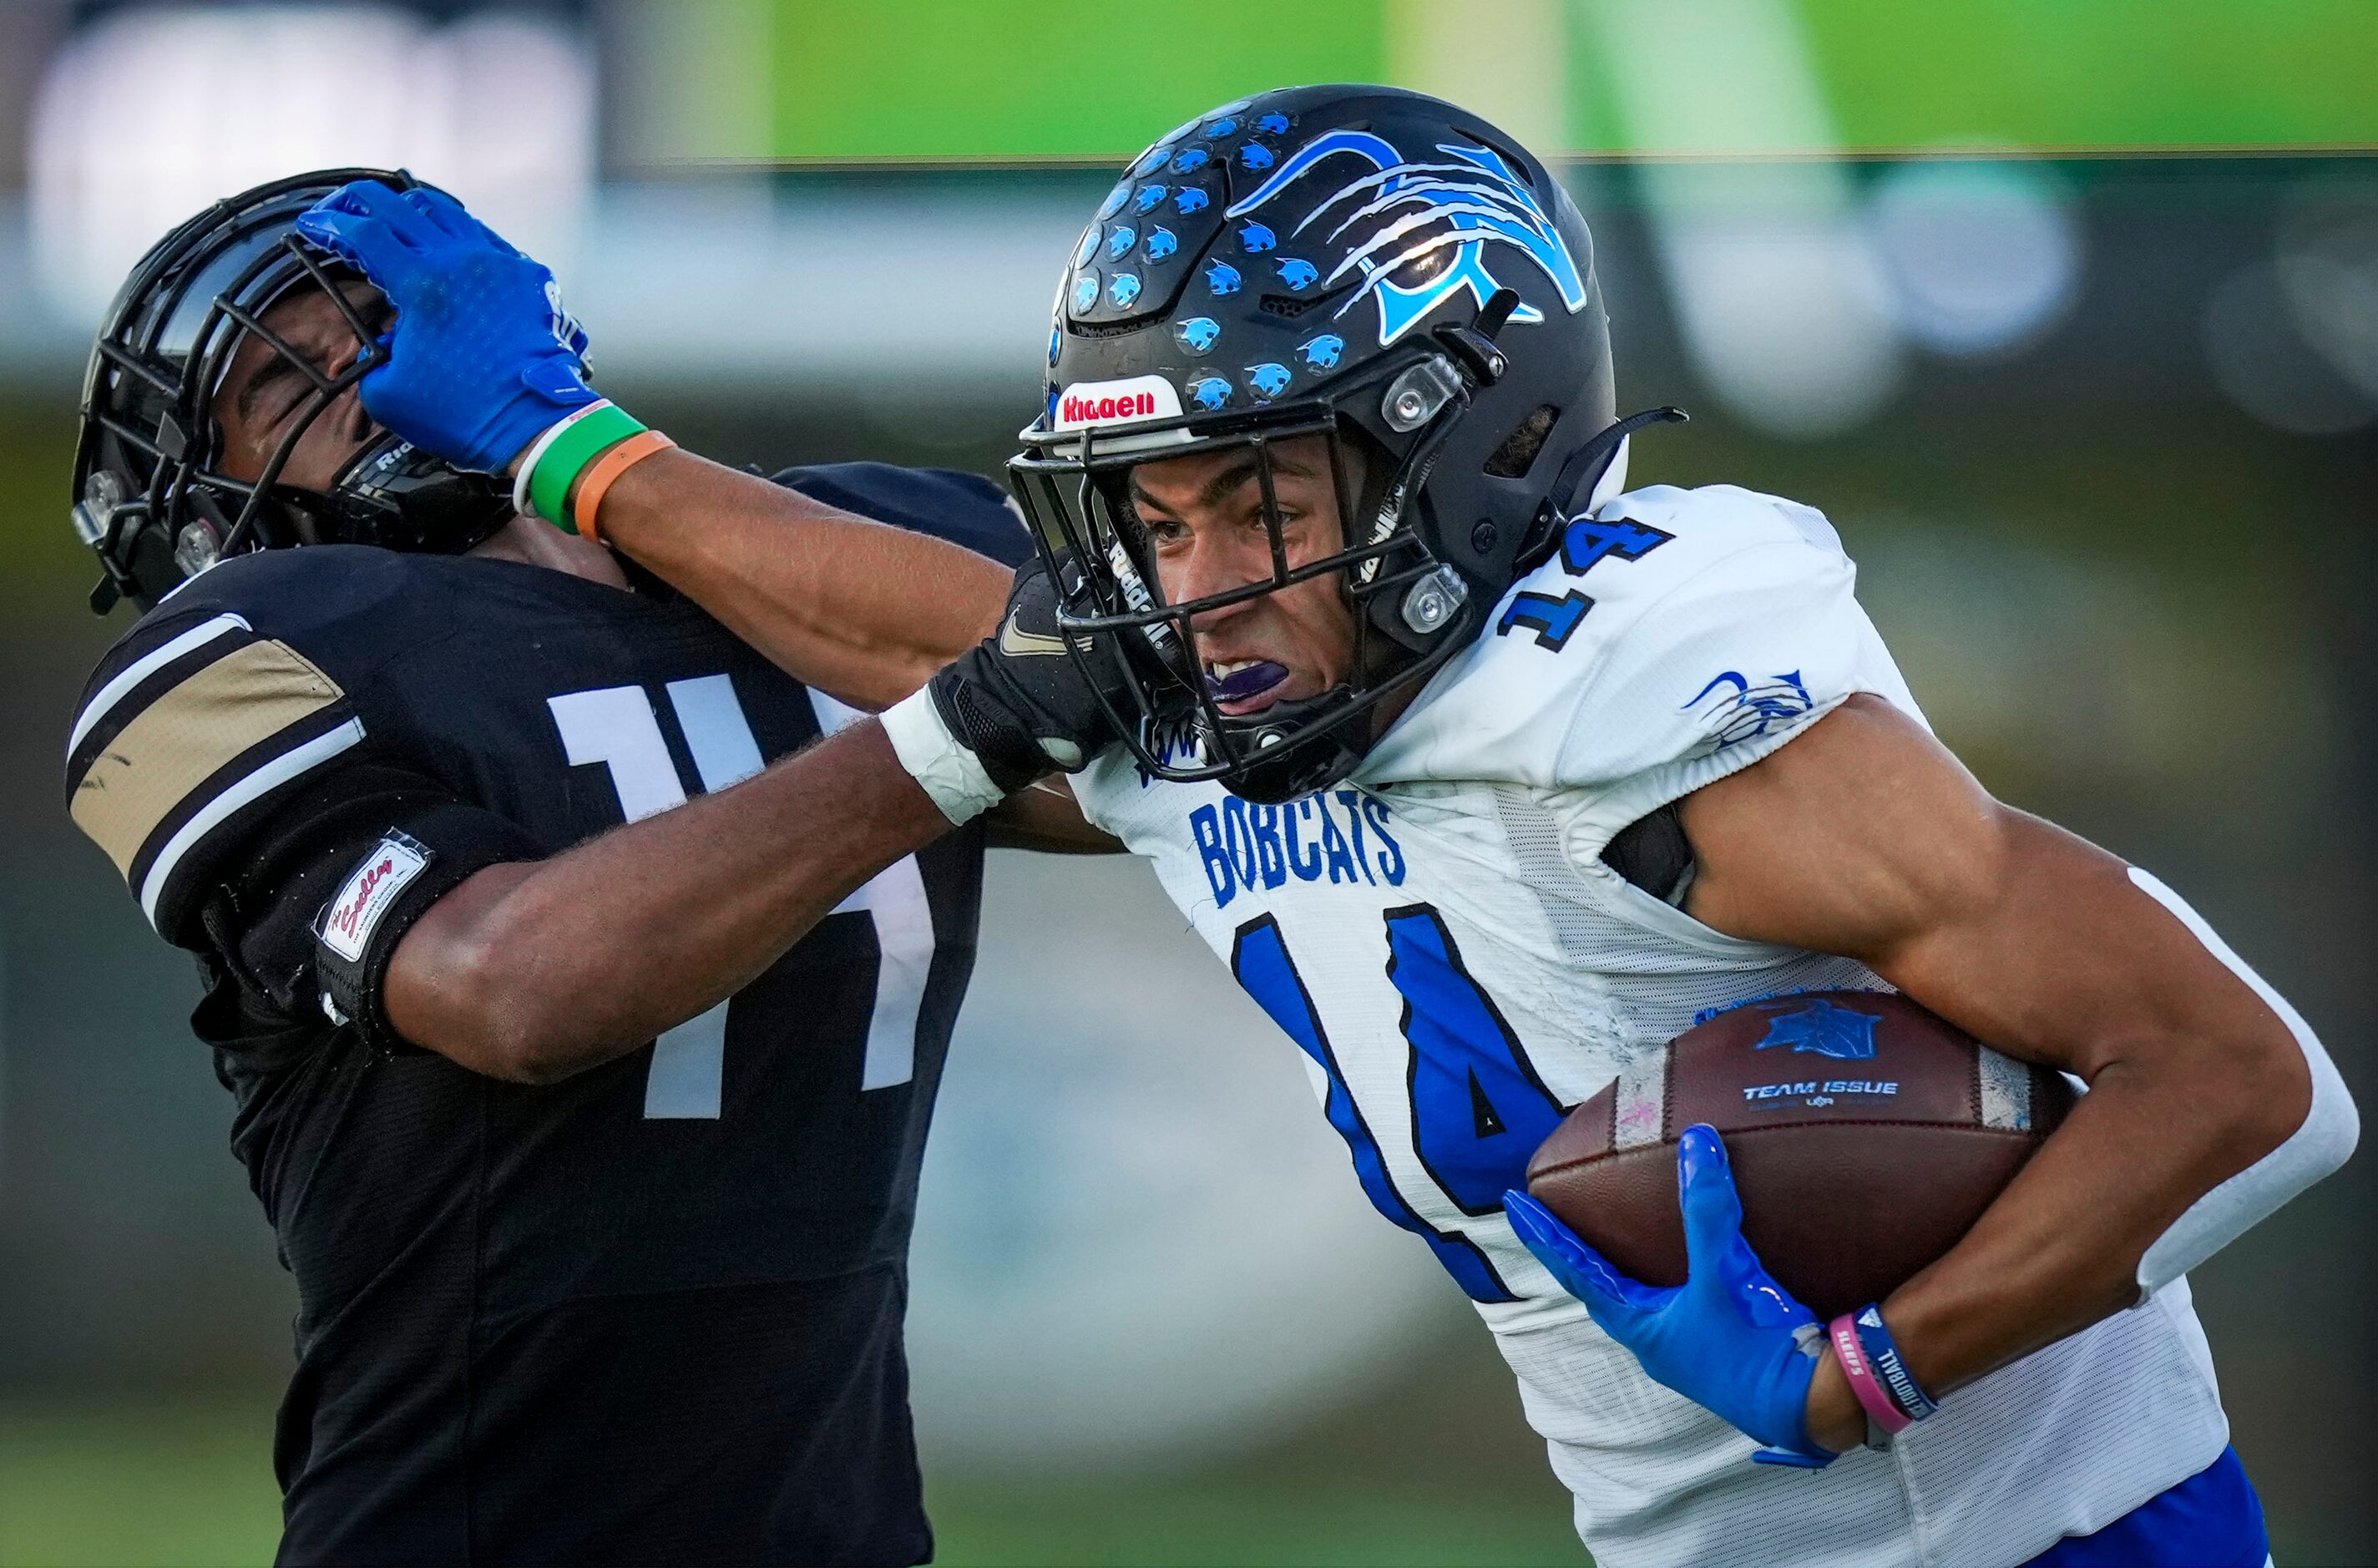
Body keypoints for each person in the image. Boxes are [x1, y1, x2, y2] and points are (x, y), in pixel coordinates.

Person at [303, 86, 2358, 1568]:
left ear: (1485, 444)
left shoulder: (1655, 709)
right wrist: (573, 452)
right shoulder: (1232, 682)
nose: (1193, 586)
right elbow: (918, 628)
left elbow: (2243, 1081)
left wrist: (1874, 1373)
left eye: (1261, 502)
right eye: (1152, 514)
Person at [58, 168, 1090, 1566]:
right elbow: (514, 986)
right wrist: (952, 729)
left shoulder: (829, 555)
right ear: (207, 492)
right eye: (276, 380)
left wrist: (586, 457)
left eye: (395, 322)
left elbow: (1186, 722)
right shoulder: (245, 654)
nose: (369, 378)